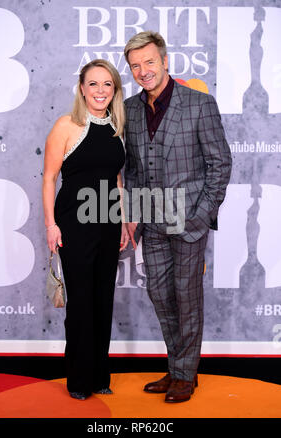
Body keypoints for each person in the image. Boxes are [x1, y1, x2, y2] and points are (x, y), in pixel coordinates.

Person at [123, 31, 232, 403]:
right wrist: (135, 216)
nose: (143, 71)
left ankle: (185, 374)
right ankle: (175, 367)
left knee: (186, 296)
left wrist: (202, 216)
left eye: (149, 62)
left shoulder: (200, 104)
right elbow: (134, 169)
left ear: (165, 61)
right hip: (152, 222)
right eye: (135, 66)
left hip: (190, 221)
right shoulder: (131, 109)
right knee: (159, 293)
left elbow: (220, 164)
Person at [42, 59, 129, 400]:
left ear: (115, 90)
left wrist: (122, 221)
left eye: (107, 84)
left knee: (103, 299)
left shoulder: (116, 126)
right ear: (82, 88)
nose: (100, 91)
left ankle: (98, 376)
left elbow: (117, 179)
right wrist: (50, 224)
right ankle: (78, 381)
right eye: (93, 84)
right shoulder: (66, 125)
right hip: (74, 225)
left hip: (107, 222)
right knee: (81, 302)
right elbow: (49, 178)